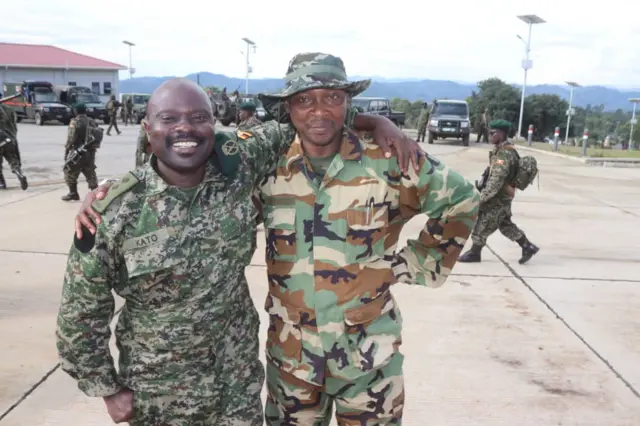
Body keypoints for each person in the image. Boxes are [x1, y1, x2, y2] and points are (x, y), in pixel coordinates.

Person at [66, 76, 420, 425]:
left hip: (235, 387)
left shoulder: (240, 166)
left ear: (214, 123)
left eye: (198, 118)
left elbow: (309, 118)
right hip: (158, 396)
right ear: (148, 127)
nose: (185, 129)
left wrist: (376, 121)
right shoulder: (115, 212)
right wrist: (107, 388)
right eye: (169, 119)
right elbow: (80, 312)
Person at [249, 52, 479, 425]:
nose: (319, 110)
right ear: (288, 107)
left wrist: (409, 264)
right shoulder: (267, 163)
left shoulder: (387, 157)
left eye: (332, 98)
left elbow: (461, 200)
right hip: (292, 362)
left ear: (347, 103)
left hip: (369, 359)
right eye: (305, 100)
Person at [458, 119, 539, 264]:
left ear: (501, 134)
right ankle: (528, 246)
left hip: (498, 197)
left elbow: (496, 180)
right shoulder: (502, 151)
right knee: (504, 224)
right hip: (503, 196)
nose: (489, 135)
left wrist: (481, 198)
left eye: (492, 133)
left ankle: (475, 253)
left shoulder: (504, 154)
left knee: (482, 224)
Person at [61, 103, 101, 201]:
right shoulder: (92, 121)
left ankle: (73, 193)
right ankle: (96, 194)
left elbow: (71, 139)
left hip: (78, 152)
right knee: (90, 172)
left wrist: (66, 151)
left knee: (69, 170)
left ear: (76, 111)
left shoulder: (75, 122)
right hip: (90, 153)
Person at [0, 101, 28, 190]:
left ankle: (1, 183)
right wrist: (13, 138)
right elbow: (13, 125)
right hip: (9, 138)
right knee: (13, 160)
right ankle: (19, 173)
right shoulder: (9, 109)